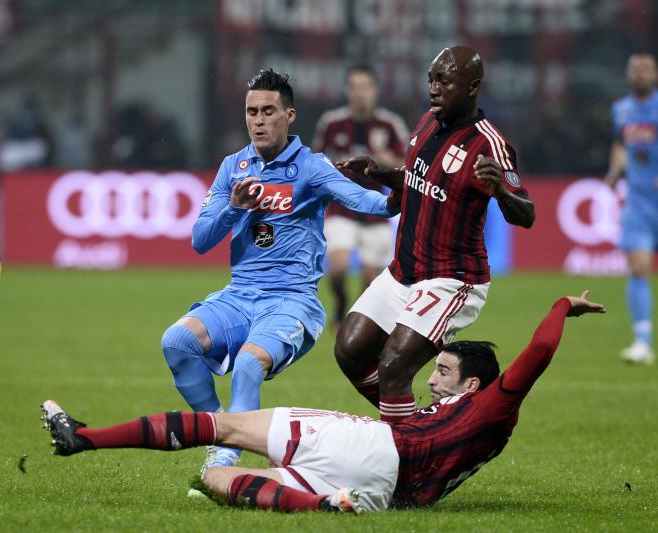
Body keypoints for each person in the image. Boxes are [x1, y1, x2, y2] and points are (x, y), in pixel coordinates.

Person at [40, 291, 605, 513]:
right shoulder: (466, 427)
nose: (433, 380)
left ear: (475, 385)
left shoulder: (494, 406)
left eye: (444, 371)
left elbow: (538, 351)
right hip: (383, 492)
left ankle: (83, 438)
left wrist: (561, 305)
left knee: (223, 427)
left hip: (373, 449)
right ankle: (325, 506)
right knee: (214, 480)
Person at [160, 68, 398, 471]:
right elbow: (200, 239)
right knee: (176, 341)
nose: (258, 120)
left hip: (291, 301)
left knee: (248, 363)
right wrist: (233, 208)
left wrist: (401, 194)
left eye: (268, 111)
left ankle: (225, 460)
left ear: (289, 116)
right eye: (251, 111)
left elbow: (368, 202)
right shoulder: (233, 166)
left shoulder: (311, 167)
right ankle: (220, 432)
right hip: (239, 295)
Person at [333, 45, 536, 423]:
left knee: (394, 365)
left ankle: (406, 453)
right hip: (403, 271)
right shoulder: (426, 122)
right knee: (350, 349)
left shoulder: (490, 144)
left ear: (473, 87)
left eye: (444, 81)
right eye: (430, 80)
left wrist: (500, 190)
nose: (433, 89)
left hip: (451, 278)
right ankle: (422, 431)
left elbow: (526, 215)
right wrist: (380, 173)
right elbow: (417, 181)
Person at [312, 65, 409, 331]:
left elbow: (409, 165)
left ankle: (353, 317)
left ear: (375, 91)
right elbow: (315, 160)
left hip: (377, 211)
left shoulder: (390, 125)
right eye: (354, 87)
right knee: (338, 268)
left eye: (365, 87)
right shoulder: (332, 123)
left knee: (369, 278)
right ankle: (341, 303)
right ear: (347, 91)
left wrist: (389, 160)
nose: (359, 93)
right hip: (340, 209)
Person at [604, 52, 658, 365]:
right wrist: (615, 171)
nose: (640, 73)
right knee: (638, 269)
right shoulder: (621, 109)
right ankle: (642, 341)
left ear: (655, 74)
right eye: (635, 68)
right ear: (628, 75)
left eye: (645, 68)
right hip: (638, 203)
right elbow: (621, 144)